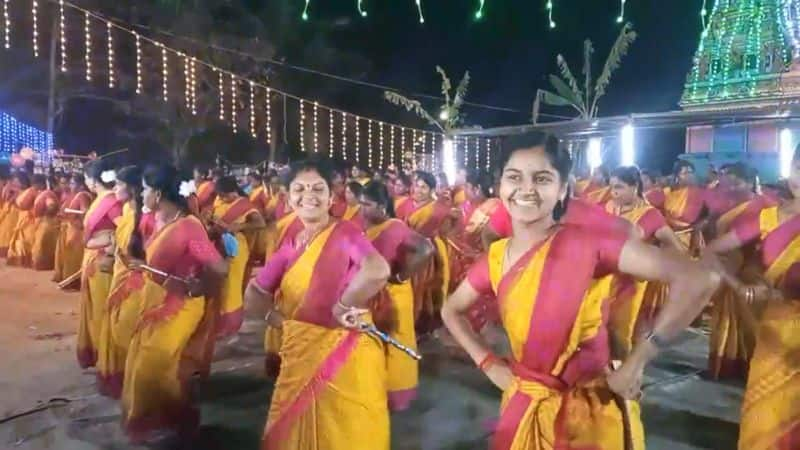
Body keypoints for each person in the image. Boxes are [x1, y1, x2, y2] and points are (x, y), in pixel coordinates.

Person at [441, 132, 719, 450]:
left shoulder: (590, 244)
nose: (526, 189)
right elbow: (451, 310)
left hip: (588, 415)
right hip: (524, 408)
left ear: (562, 190)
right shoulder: (496, 257)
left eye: (542, 178)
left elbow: (699, 279)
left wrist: (637, 361)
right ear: (500, 187)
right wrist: (488, 364)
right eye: (514, 177)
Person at [243, 158, 391, 450]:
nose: (308, 195)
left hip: (345, 353)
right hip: (301, 350)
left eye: (317, 188)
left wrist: (343, 304)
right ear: (287, 195)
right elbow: (254, 293)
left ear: (330, 195)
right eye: (299, 188)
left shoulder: (345, 232)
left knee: (345, 436)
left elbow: (378, 269)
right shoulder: (291, 243)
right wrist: (279, 321)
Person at [121, 164, 228, 444]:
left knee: (154, 365)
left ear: (157, 193)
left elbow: (218, 267)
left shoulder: (189, 226)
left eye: (144, 189)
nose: (141, 194)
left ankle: (176, 420)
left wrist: (199, 288)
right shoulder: (157, 220)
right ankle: (166, 423)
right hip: (154, 300)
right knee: (146, 361)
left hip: (180, 306)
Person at [704, 144, 800, 449]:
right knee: (764, 420)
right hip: (776, 333)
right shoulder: (769, 217)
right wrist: (738, 285)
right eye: (799, 167)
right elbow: (712, 250)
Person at [360, 181, 433, 411]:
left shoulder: (394, 226)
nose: (362, 209)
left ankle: (397, 396)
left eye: (367, 204)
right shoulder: (366, 228)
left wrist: (401, 277)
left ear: (382, 206)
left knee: (396, 343)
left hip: (393, 294)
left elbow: (425, 248)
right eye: (360, 203)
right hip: (372, 293)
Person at [706, 163, 776, 380]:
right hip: (730, 268)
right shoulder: (730, 204)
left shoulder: (763, 208)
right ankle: (732, 368)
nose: (730, 187)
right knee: (729, 320)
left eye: (737, 182)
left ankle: (754, 370)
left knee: (752, 327)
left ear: (750, 183)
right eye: (728, 182)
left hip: (751, 272)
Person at [605, 166, 684, 356]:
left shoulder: (649, 215)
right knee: (597, 328)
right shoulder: (608, 207)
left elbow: (676, 247)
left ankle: (625, 377)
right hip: (604, 278)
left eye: (619, 187)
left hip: (631, 283)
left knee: (621, 330)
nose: (614, 192)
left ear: (635, 187)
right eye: (611, 187)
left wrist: (653, 261)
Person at [96, 166, 147, 398]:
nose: (114, 188)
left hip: (138, 283)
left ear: (133, 188)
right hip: (120, 276)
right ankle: (120, 376)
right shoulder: (126, 209)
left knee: (127, 329)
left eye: (119, 184)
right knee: (115, 325)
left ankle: (136, 381)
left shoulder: (147, 218)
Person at [396, 170, 456, 332]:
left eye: (423, 187)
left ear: (431, 190)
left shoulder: (438, 209)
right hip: (406, 251)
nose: (418, 190)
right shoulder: (403, 203)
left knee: (425, 288)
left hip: (428, 254)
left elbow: (448, 229)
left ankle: (422, 325)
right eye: (416, 186)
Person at [77, 161, 123, 369]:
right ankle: (98, 351)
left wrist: (108, 245)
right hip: (93, 260)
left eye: (86, 178)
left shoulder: (111, 202)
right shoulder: (100, 200)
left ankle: (107, 356)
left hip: (103, 262)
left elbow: (125, 230)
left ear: (94, 180)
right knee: (94, 309)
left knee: (103, 310)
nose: (86, 182)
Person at [210, 176, 266, 337]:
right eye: (219, 195)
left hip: (235, 248)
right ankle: (218, 323)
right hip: (219, 246)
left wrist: (238, 226)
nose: (221, 198)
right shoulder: (219, 202)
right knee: (220, 286)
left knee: (232, 286)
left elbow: (260, 224)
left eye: (224, 195)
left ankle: (231, 325)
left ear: (233, 191)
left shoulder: (245, 205)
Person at [52, 174, 93, 288]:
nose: (70, 186)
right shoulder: (74, 195)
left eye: (73, 183)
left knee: (73, 256)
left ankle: (74, 282)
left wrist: (72, 215)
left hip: (76, 231)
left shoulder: (82, 195)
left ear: (81, 185)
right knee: (68, 255)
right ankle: (69, 280)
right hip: (69, 228)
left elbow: (86, 212)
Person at [6, 173, 42, 267]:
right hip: (23, 217)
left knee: (26, 240)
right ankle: (22, 260)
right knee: (21, 239)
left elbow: (25, 205)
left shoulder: (33, 192)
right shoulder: (28, 191)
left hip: (28, 219)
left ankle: (27, 261)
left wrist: (16, 203)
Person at [30, 175, 61, 270]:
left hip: (47, 223)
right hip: (45, 222)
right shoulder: (44, 193)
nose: (33, 186)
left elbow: (51, 205)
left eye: (34, 184)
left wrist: (45, 216)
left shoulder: (47, 194)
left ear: (40, 184)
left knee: (42, 246)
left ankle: (45, 265)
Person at [0, 170, 19, 257]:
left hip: (11, 211)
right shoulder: (7, 187)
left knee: (8, 230)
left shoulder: (9, 187)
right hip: (8, 210)